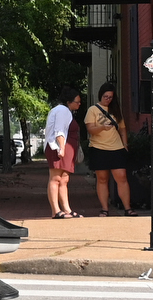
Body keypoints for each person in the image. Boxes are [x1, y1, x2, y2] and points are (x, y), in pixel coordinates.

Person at [82, 85, 134, 216]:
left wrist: (125, 143)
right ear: (101, 95)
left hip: (116, 148)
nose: (108, 99)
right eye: (106, 97)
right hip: (98, 148)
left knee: (122, 177)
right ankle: (105, 209)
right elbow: (90, 130)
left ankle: (128, 208)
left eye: (110, 97)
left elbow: (122, 128)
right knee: (102, 179)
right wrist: (102, 127)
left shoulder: (115, 110)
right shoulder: (93, 110)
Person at [43, 89, 82, 219]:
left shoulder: (66, 111)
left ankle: (66, 209)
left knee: (64, 179)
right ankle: (55, 211)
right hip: (57, 147)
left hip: (65, 148)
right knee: (56, 179)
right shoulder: (62, 111)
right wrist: (62, 148)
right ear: (69, 102)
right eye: (77, 102)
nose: (79, 104)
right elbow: (59, 130)